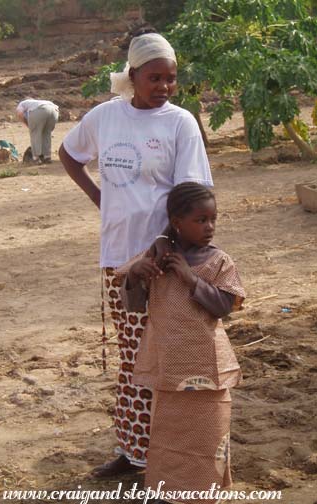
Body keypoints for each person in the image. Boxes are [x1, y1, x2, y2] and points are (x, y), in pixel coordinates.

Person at [59, 32, 213, 477]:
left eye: (171, 78)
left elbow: (192, 195)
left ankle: (164, 453)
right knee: (132, 358)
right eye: (154, 77)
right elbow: (70, 155)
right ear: (133, 75)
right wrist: (100, 200)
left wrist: (163, 247)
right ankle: (134, 452)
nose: (164, 86)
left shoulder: (179, 122)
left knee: (161, 358)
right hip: (119, 260)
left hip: (164, 262)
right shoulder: (105, 117)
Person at [119, 182, 245, 504]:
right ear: (176, 221)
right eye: (200, 220)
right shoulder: (158, 257)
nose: (210, 227)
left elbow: (224, 307)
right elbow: (134, 304)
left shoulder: (218, 262)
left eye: (213, 219)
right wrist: (135, 274)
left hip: (207, 366)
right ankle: (168, 492)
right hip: (169, 365)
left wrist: (191, 279)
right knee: (168, 434)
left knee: (208, 433)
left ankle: (205, 492)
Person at [16, 98, 59, 164]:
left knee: (35, 134)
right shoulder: (38, 102)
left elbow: (20, 114)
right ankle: (47, 157)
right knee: (47, 133)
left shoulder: (22, 103)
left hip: (40, 110)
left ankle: (36, 158)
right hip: (54, 110)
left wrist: (27, 124)